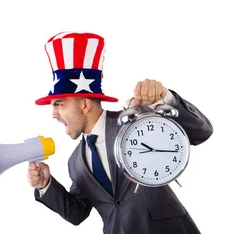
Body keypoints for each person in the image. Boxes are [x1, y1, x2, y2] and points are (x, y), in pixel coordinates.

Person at [29, 32, 213, 234]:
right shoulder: (75, 161)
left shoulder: (137, 121)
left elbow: (201, 132)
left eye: (58, 104)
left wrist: (165, 99)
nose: (54, 114)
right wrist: (46, 185)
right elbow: (77, 214)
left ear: (84, 104)